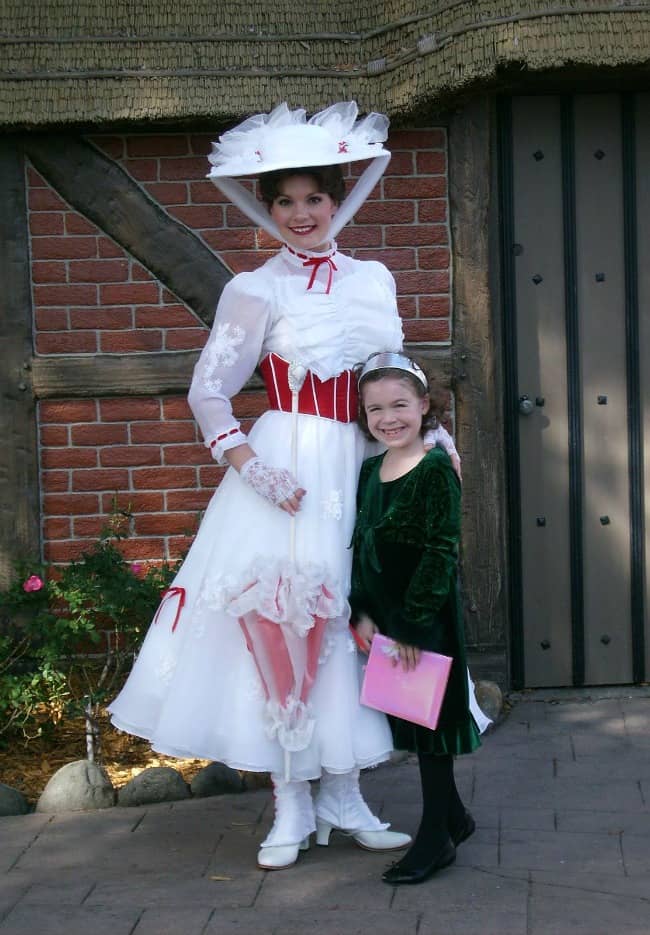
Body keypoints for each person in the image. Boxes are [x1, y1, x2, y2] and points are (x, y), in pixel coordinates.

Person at [109, 102, 484, 872]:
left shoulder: (373, 278)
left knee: (357, 613)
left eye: (316, 198)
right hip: (284, 472)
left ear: (338, 199)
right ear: (267, 208)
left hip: (361, 464)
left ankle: (345, 792)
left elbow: (391, 369)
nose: (303, 214)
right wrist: (251, 464)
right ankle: (291, 798)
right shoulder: (255, 290)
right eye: (286, 201)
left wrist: (430, 436)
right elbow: (208, 392)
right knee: (284, 623)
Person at [350, 351, 480, 885]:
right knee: (409, 718)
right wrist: (361, 610)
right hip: (384, 620)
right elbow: (359, 544)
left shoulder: (433, 471)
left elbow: (439, 550)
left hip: (425, 620)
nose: (388, 418)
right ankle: (455, 816)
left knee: (432, 730)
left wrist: (410, 625)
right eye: (375, 408)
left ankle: (436, 838)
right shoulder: (368, 470)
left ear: (423, 405)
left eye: (400, 404)